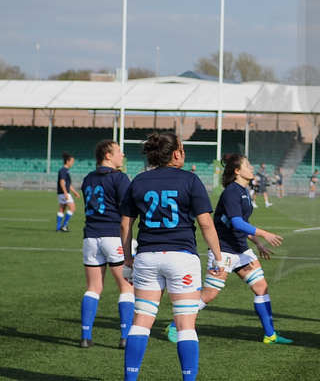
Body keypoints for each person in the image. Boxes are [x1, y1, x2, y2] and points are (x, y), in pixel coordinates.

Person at [120, 131, 225, 381]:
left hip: (146, 256)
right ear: (177, 153)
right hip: (181, 257)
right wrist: (218, 258)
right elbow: (207, 225)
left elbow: (125, 225)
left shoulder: (139, 180)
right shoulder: (190, 180)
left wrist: (127, 261)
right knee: (185, 326)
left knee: (141, 322)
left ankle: (130, 378)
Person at [165, 153, 289, 345]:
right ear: (237, 171)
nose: (251, 168)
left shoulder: (245, 191)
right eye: (247, 165)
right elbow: (237, 222)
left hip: (241, 250)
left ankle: (270, 334)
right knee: (209, 294)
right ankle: (175, 325)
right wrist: (264, 233)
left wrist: (257, 242)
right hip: (223, 250)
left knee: (261, 288)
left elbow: (243, 223)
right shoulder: (232, 192)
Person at [79, 140, 134, 349]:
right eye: (119, 151)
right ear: (108, 156)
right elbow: (127, 213)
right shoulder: (120, 178)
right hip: (113, 237)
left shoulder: (87, 179)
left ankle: (85, 336)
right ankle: (125, 337)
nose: (122, 154)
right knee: (127, 287)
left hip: (90, 237)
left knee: (93, 288)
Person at [56, 151, 82, 232]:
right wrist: (65, 193)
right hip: (64, 193)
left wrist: (75, 192)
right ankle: (64, 226)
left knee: (62, 209)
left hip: (61, 193)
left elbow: (67, 184)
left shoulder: (65, 170)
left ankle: (58, 228)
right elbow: (62, 182)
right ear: (67, 161)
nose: (72, 163)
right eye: (72, 161)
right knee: (72, 207)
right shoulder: (64, 170)